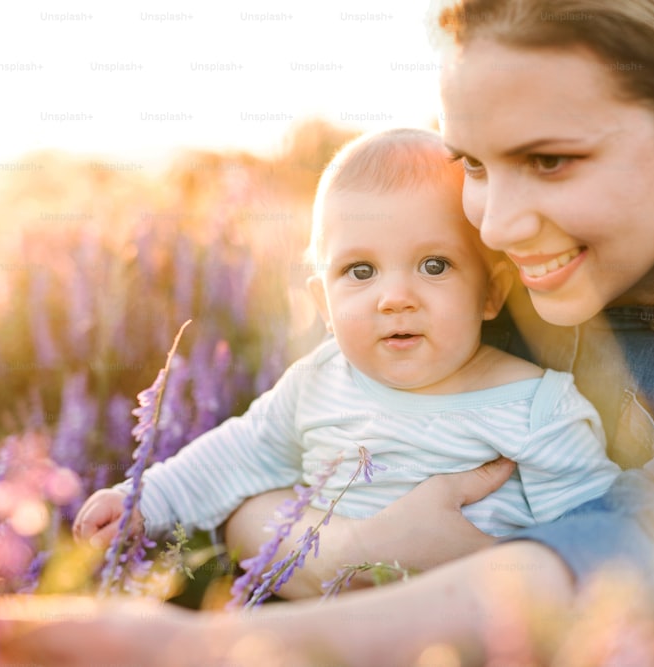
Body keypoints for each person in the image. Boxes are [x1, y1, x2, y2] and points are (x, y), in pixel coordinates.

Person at [0, 0, 654, 664]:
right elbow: (282, 440)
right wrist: (337, 552)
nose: (498, 223)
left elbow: (635, 547)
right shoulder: (479, 272)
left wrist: (218, 643)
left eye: (549, 160)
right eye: (472, 161)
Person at [72, 128, 619, 554]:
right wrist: (144, 501)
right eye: (360, 271)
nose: (394, 298)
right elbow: (239, 453)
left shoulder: (537, 410)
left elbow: (596, 546)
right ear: (323, 304)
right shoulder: (317, 383)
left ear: (490, 294)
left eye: (434, 265)